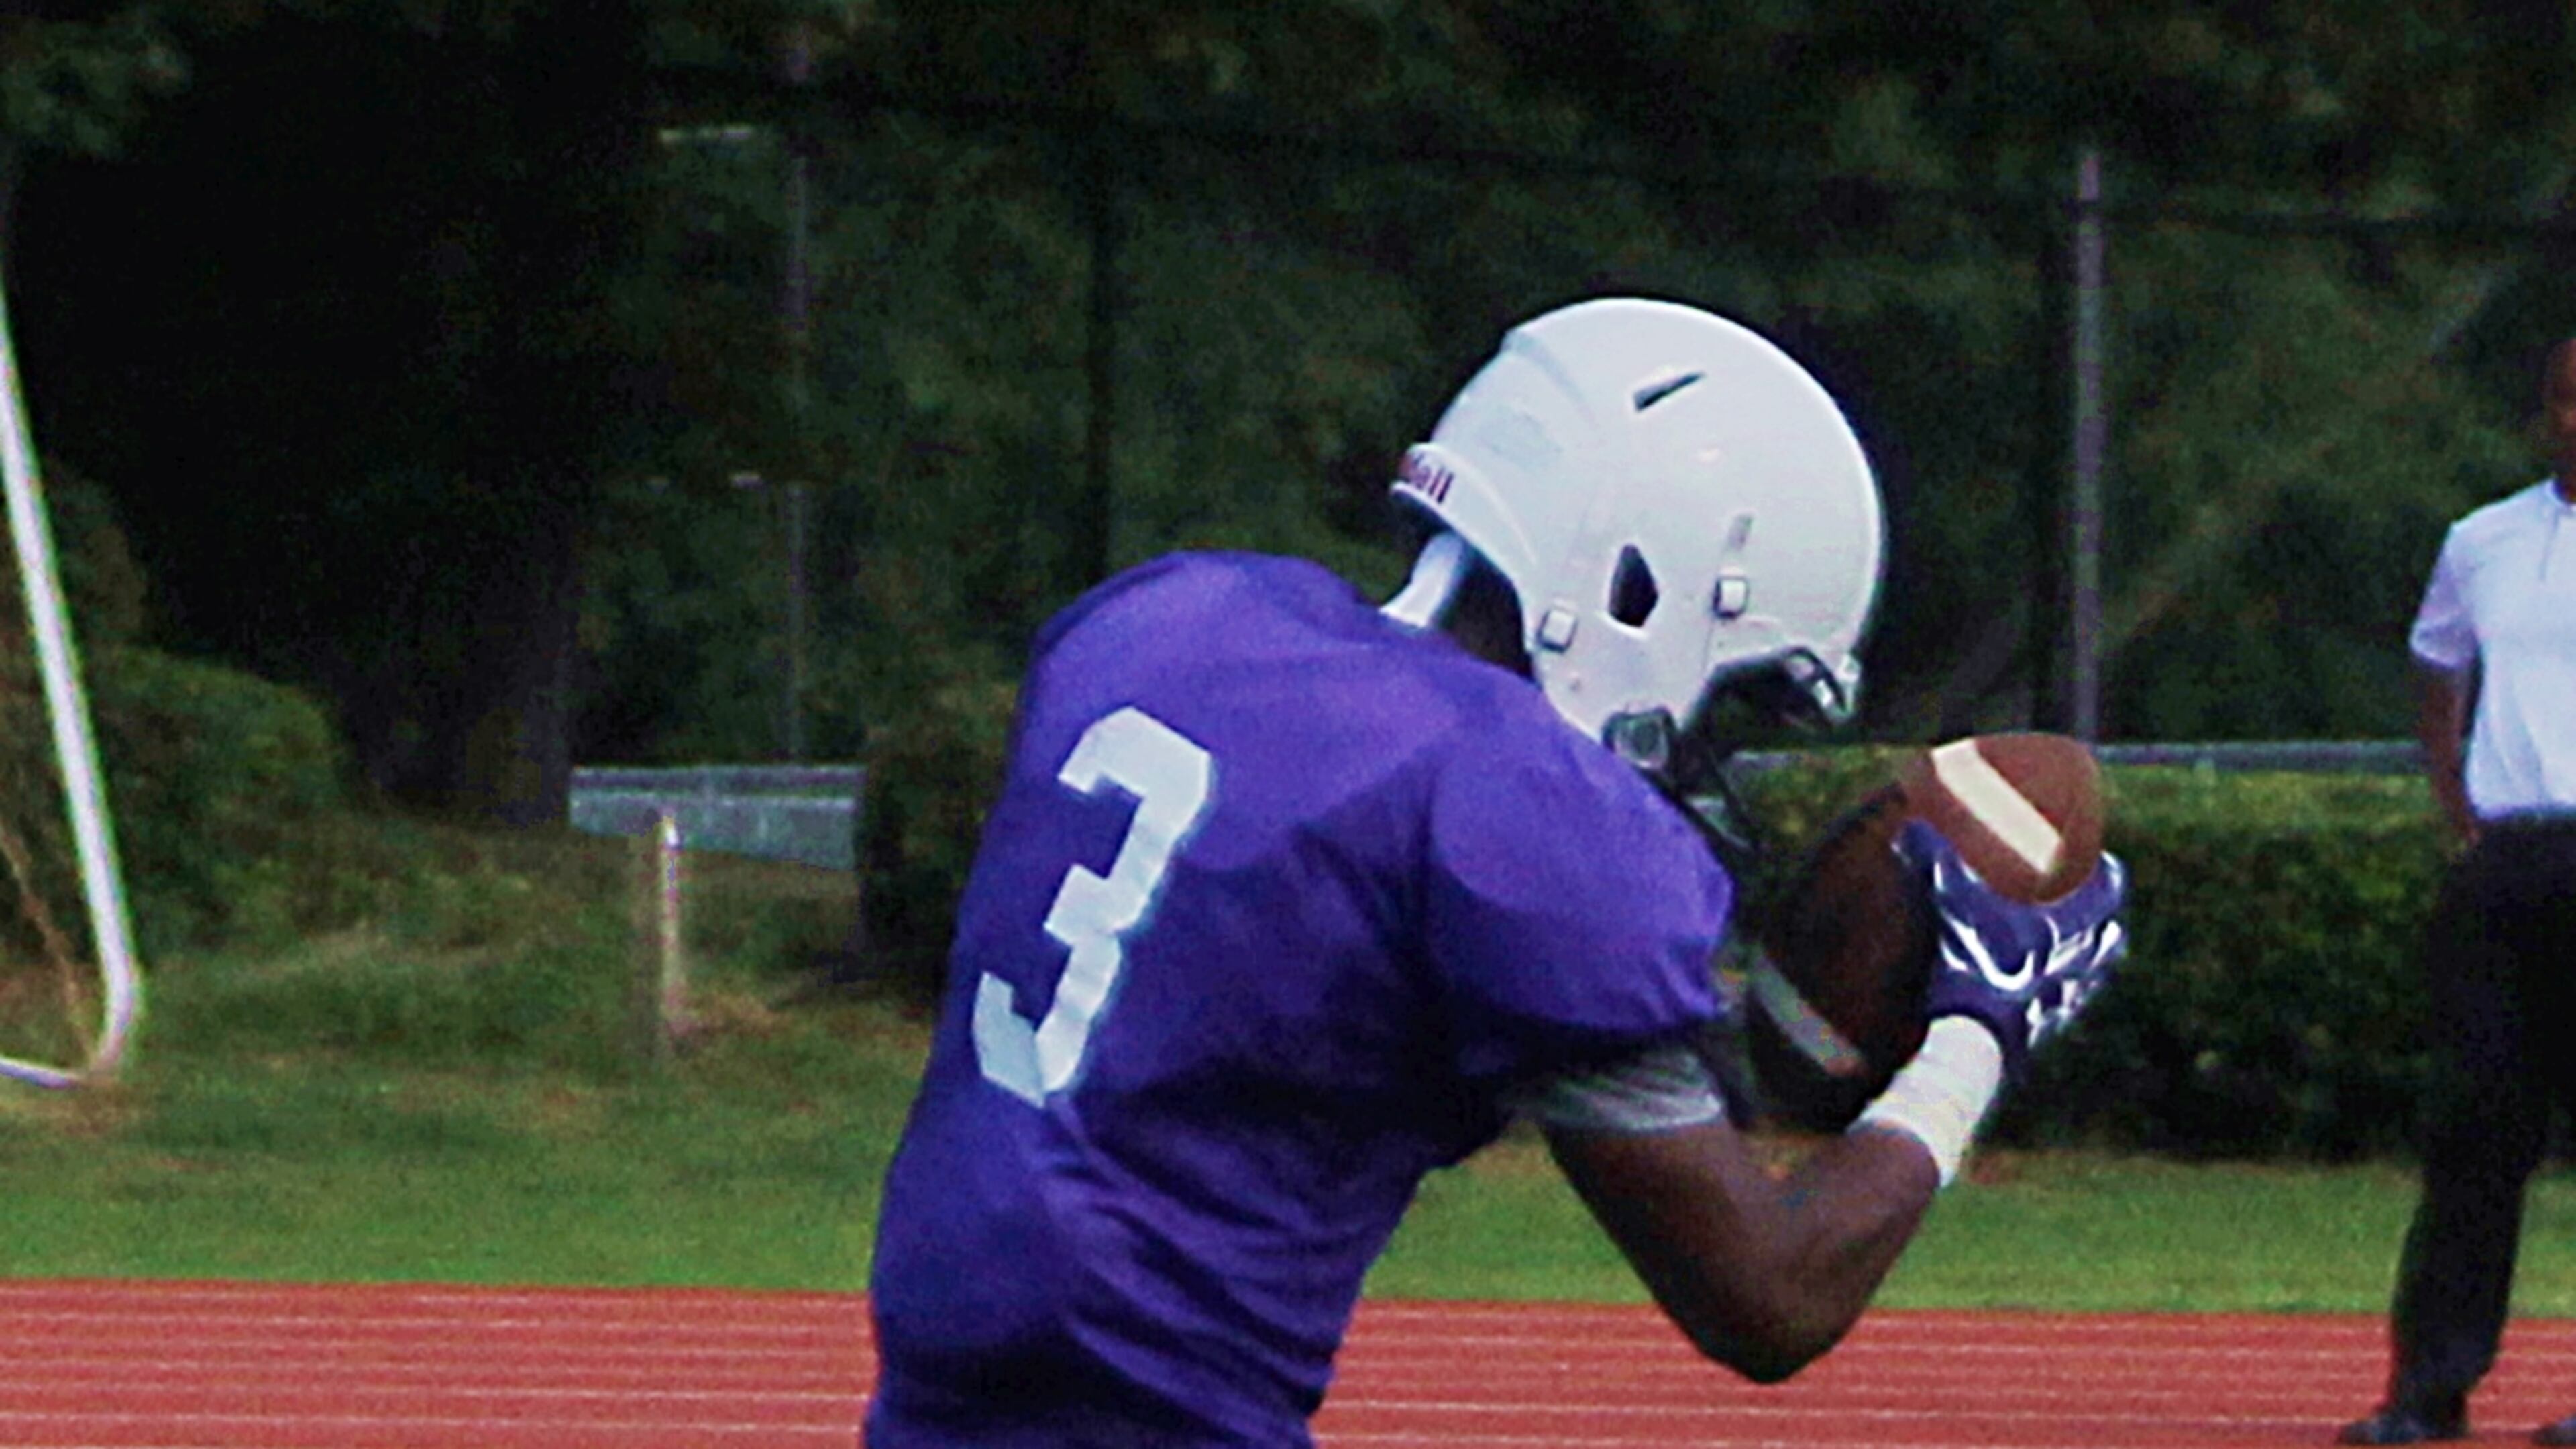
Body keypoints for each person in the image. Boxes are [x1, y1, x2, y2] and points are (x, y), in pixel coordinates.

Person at [863, 297, 2129, 1447]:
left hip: (932, 1402)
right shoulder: (1509, 804)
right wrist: (1976, 1036)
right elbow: (1771, 1298)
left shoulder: (1170, 622)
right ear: (1647, 590)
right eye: (1735, 696)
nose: (1706, 751)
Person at [2341, 339, 2576, 1447]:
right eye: (2569, 398)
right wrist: (2456, 807)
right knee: (2476, 1130)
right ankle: (2430, 1387)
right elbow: (2437, 666)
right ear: (2545, 412)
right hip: (2507, 865)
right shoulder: (2480, 541)